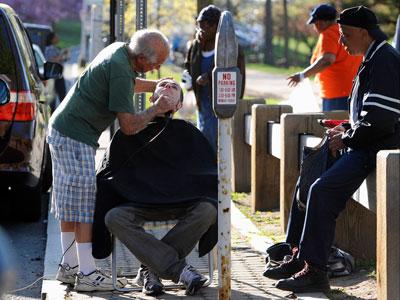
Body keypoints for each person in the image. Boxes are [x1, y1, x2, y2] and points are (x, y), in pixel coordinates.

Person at [265, 6, 400, 293]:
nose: (341, 42)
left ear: (364, 33)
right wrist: (345, 128)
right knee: (310, 169)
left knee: (321, 190)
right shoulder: (371, 56)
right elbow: (368, 116)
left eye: (346, 35)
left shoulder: (384, 60)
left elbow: (381, 120)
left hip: (377, 150)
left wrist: (348, 137)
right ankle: (298, 251)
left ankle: (315, 270)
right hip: (365, 143)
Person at [47, 29, 178, 292]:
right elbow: (128, 126)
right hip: (76, 136)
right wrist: (156, 108)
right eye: (155, 64)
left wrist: (157, 86)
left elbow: (127, 82)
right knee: (83, 204)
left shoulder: (120, 51)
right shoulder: (121, 69)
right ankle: (86, 273)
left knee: (69, 201)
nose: (157, 68)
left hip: (62, 129)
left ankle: (69, 266)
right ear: (141, 57)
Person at [92, 79, 218, 296]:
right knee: (113, 217)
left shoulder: (189, 133)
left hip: (182, 202)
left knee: (208, 210)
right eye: (163, 85)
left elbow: (207, 172)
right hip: (139, 202)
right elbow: (109, 172)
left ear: (179, 105)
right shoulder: (129, 131)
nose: (168, 87)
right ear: (151, 97)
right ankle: (178, 269)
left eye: (174, 87)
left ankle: (150, 270)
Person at [183, 4, 246, 152]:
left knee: (214, 142)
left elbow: (235, 75)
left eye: (204, 26)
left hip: (220, 103)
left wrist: (209, 78)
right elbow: (188, 64)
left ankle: (215, 172)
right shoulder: (195, 46)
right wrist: (187, 76)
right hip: (202, 102)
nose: (200, 30)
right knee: (203, 138)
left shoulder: (231, 48)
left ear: (215, 27)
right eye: (199, 25)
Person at [287, 4, 362, 111]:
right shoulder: (346, 31)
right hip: (353, 89)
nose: (314, 27)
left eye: (315, 23)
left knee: (335, 126)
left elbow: (326, 60)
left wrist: (302, 75)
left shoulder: (328, 33)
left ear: (322, 22)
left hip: (336, 94)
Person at [44, 31, 69, 109]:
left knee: (62, 95)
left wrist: (64, 54)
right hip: (53, 75)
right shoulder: (49, 49)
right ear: (52, 39)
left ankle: (61, 112)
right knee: (54, 97)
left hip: (58, 74)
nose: (58, 38)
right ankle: (53, 114)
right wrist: (62, 55)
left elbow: (63, 59)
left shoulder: (56, 48)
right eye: (56, 37)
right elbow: (51, 60)